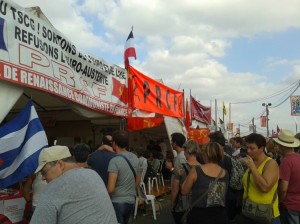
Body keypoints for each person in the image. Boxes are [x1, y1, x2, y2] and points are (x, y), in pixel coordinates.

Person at [30, 145, 118, 224]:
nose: (43, 178)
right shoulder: (93, 174)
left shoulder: (53, 188)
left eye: (44, 172)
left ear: (60, 164)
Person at [181, 142, 229, 224]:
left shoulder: (197, 170)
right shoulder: (225, 173)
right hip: (220, 215)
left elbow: (184, 191)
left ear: (205, 154)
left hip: (199, 215)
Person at [242, 133, 280, 224]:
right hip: (249, 212)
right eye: (247, 147)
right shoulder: (252, 162)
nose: (248, 151)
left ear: (262, 148)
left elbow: (265, 187)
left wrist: (253, 168)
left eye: (252, 148)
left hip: (266, 215)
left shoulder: (271, 164)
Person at [107, 130, 141, 224]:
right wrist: (129, 190)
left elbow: (110, 189)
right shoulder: (135, 157)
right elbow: (138, 179)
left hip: (117, 201)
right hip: (131, 200)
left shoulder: (114, 161)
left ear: (114, 143)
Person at [274, 129, 300, 224]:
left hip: (290, 205)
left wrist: (279, 201)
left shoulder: (286, 162)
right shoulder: (298, 157)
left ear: (282, 146)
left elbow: (283, 188)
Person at [165, 132, 187, 224]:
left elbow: (182, 176)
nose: (170, 143)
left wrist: (171, 168)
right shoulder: (181, 156)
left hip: (180, 196)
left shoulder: (181, 157)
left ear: (175, 143)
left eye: (171, 141)